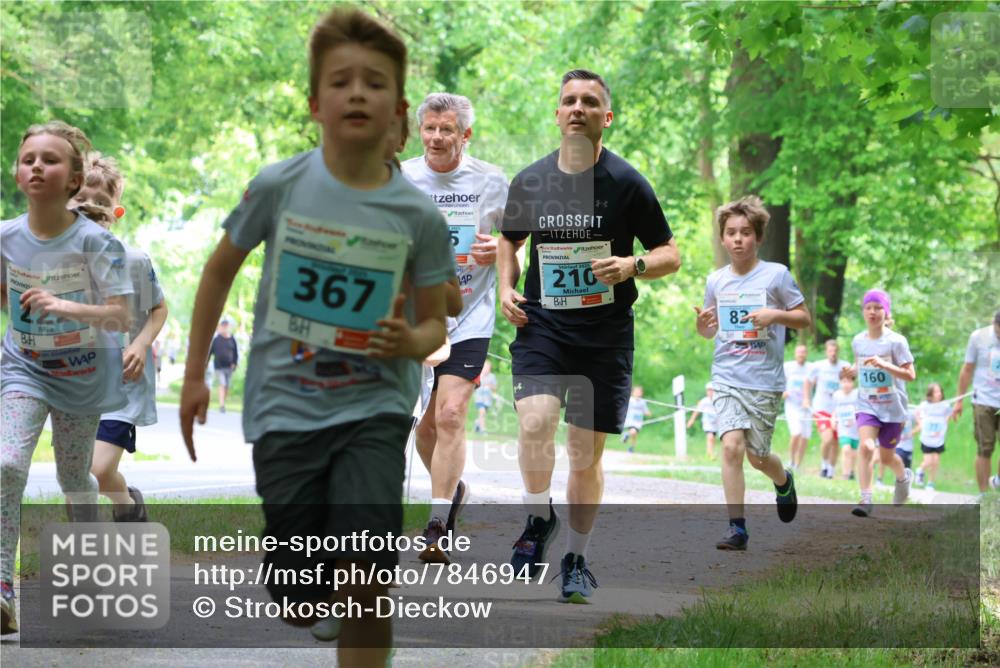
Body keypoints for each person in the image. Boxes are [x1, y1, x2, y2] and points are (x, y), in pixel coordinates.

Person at [178, 9, 453, 664]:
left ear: (398, 109)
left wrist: (407, 343)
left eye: (375, 82)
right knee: (301, 599)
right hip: (285, 408)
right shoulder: (280, 185)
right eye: (341, 80)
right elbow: (218, 272)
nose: (357, 91)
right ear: (314, 102)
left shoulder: (418, 215)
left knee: (367, 581)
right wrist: (193, 375)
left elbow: (437, 322)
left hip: (376, 409)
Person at [498, 69, 681, 602]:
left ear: (607, 117)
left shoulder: (627, 183)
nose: (577, 108)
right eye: (568, 101)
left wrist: (634, 265)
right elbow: (509, 242)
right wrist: (506, 289)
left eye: (590, 102)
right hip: (543, 326)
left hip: (604, 336)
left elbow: (671, 253)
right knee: (535, 420)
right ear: (557, 114)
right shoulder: (530, 181)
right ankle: (538, 520)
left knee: (584, 453)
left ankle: (576, 559)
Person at [1, 121, 132, 636]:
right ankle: (3, 591)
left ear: (75, 179)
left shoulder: (98, 243)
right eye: (28, 157)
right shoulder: (7, 237)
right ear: (17, 173)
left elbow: (121, 316)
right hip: (24, 369)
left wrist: (63, 305)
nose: (37, 165)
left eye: (50, 159)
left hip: (81, 377)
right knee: (8, 465)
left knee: (74, 478)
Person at [401, 92, 509, 562]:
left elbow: (515, 248)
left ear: (465, 135)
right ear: (419, 130)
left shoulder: (492, 181)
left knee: (449, 416)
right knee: (422, 431)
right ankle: (452, 489)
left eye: (447, 130)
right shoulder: (401, 178)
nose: (437, 137)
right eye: (430, 128)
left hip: (470, 313)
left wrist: (501, 252)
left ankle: (437, 528)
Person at [694, 195, 809, 551]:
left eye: (746, 232)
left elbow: (804, 319)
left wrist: (773, 315)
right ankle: (737, 528)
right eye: (731, 233)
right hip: (727, 377)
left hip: (763, 381)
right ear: (723, 238)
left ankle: (783, 480)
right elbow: (711, 331)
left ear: (758, 237)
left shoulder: (777, 276)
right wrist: (702, 325)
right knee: (730, 447)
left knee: (758, 457)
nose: (738, 239)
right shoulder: (716, 280)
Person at [72, 151, 167, 523]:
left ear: (117, 211)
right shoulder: (53, 262)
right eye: (82, 199)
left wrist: (140, 344)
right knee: (76, 475)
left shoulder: (134, 261)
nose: (91, 207)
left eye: (101, 202)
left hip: (121, 384)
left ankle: (127, 504)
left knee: (97, 469)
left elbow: (159, 309)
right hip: (75, 382)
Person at [846, 289, 916, 518]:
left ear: (886, 312)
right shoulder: (858, 341)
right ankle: (865, 498)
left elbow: (910, 375)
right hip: (867, 404)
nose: (873, 312)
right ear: (863, 312)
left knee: (886, 458)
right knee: (866, 446)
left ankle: (903, 477)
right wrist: (851, 371)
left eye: (878, 307)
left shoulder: (896, 342)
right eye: (869, 308)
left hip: (894, 408)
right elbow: (861, 367)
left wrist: (885, 365)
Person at [951, 309, 1000, 495]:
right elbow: (967, 369)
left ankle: (997, 480)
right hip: (983, 400)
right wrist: (959, 401)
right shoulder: (978, 337)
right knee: (985, 447)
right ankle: (984, 495)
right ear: (994, 323)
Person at [808, 339, 852, 478]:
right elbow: (808, 382)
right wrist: (806, 399)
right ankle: (824, 466)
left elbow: (850, 383)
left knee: (835, 442)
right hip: (821, 408)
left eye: (835, 351)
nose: (833, 353)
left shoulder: (844, 366)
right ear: (826, 352)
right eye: (830, 351)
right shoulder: (819, 365)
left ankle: (831, 471)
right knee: (826, 439)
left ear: (838, 351)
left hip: (839, 410)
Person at [915, 383, 953, 491]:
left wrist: (945, 423)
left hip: (938, 438)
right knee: (928, 461)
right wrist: (920, 423)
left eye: (940, 391)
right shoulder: (925, 405)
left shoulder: (945, 405)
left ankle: (931, 482)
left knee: (935, 461)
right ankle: (920, 470)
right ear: (930, 394)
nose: (939, 394)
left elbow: (949, 414)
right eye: (936, 391)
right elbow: (917, 413)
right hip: (927, 438)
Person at [783, 344, 812, 472]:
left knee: (805, 437)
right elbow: (778, 379)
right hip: (791, 406)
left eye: (803, 352)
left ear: (806, 354)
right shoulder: (788, 366)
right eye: (799, 352)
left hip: (805, 407)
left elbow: (816, 381)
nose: (801, 354)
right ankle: (791, 460)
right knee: (796, 433)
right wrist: (782, 391)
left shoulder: (811, 368)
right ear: (795, 354)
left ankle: (798, 465)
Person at [208, 317, 238, 413]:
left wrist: (235, 363)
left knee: (227, 386)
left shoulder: (232, 339)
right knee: (222, 384)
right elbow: (210, 352)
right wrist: (206, 362)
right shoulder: (217, 339)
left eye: (226, 325)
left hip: (229, 367)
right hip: (219, 367)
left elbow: (236, 353)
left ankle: (223, 402)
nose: (225, 327)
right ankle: (221, 405)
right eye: (223, 325)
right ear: (220, 326)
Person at [832, 374, 860, 480]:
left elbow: (861, 409)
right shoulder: (837, 395)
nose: (846, 384)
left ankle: (851, 472)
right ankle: (845, 474)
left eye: (849, 381)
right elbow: (834, 409)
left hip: (855, 428)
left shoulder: (857, 394)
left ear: (853, 383)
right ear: (840, 383)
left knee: (853, 452)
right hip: (843, 428)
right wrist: (833, 419)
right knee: (846, 449)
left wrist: (855, 420)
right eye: (844, 381)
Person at [687, 383, 717, 459]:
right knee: (710, 437)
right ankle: (710, 454)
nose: (710, 392)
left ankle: (709, 452)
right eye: (708, 390)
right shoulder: (704, 401)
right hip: (707, 422)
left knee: (713, 438)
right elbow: (697, 411)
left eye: (712, 390)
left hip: (716, 423)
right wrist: (692, 420)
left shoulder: (718, 400)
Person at [621, 385, 651, 454]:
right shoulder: (630, 400)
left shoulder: (642, 402)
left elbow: (646, 411)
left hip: (638, 422)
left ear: (641, 393)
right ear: (632, 393)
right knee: (633, 431)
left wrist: (648, 413)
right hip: (631, 421)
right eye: (636, 392)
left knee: (634, 435)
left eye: (639, 392)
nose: (638, 393)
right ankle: (627, 434)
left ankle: (631, 448)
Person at [474, 358, 498, 434]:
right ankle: (482, 429)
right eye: (484, 367)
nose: (485, 369)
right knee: (482, 412)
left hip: (488, 400)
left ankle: (477, 423)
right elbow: (475, 385)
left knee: (483, 414)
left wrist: (490, 386)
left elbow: (494, 388)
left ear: (490, 369)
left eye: (487, 368)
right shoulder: (479, 376)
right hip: (480, 399)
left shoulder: (492, 376)